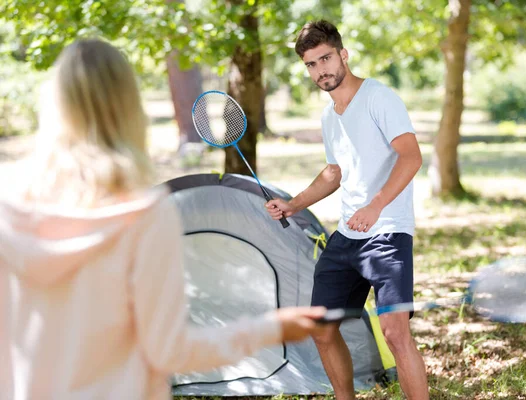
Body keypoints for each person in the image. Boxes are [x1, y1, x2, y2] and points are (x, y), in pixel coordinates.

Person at [0, 38, 326, 400]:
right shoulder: (143, 215)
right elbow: (170, 350)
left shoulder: (9, 209)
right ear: (127, 108)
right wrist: (268, 328)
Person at [265, 20, 429, 400]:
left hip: (387, 230)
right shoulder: (329, 116)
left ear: (343, 54)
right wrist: (293, 204)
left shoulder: (378, 98)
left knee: (395, 332)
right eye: (311, 64)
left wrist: (375, 205)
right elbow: (335, 173)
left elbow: (411, 156)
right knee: (322, 328)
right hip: (348, 236)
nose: (321, 70)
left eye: (325, 58)